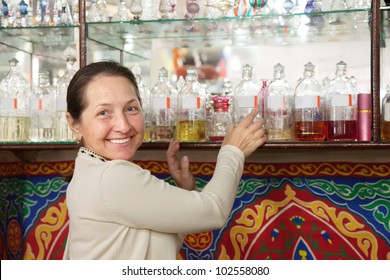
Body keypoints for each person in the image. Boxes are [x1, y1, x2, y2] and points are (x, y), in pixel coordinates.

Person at [63, 61, 266, 260]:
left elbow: (155, 253)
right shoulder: (112, 176)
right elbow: (214, 211)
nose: (123, 126)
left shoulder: (88, 170)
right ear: (74, 124)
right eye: (103, 113)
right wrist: (232, 151)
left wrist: (185, 190)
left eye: (131, 109)